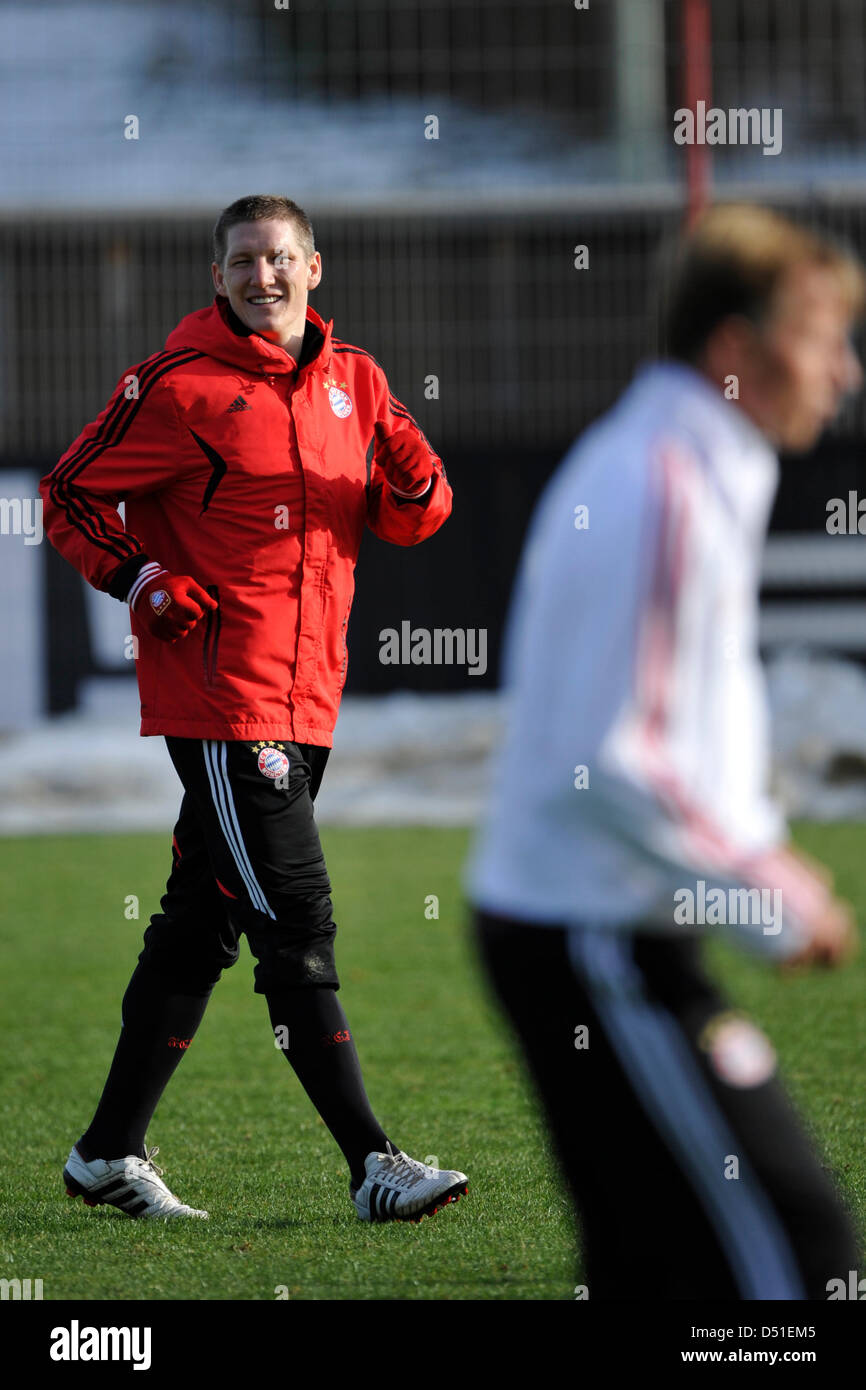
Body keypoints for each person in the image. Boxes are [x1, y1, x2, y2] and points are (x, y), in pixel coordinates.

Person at [40, 193, 468, 1225]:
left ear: (313, 268)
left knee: (199, 925)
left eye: (278, 259)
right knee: (297, 917)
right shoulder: (176, 387)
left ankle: (104, 1155)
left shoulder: (353, 380)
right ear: (217, 277)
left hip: (307, 697)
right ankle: (372, 1162)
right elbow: (68, 494)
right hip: (226, 702)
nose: (261, 276)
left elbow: (415, 516)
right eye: (241, 262)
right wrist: (140, 579)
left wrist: (414, 470)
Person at [466, 203, 864, 1298]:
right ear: (734, 351)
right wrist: (766, 890)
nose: (842, 374)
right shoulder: (662, 482)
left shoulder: (678, 464)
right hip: (598, 938)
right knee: (797, 1253)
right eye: (822, 339)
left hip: (594, 925)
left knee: (656, 1267)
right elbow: (616, 754)